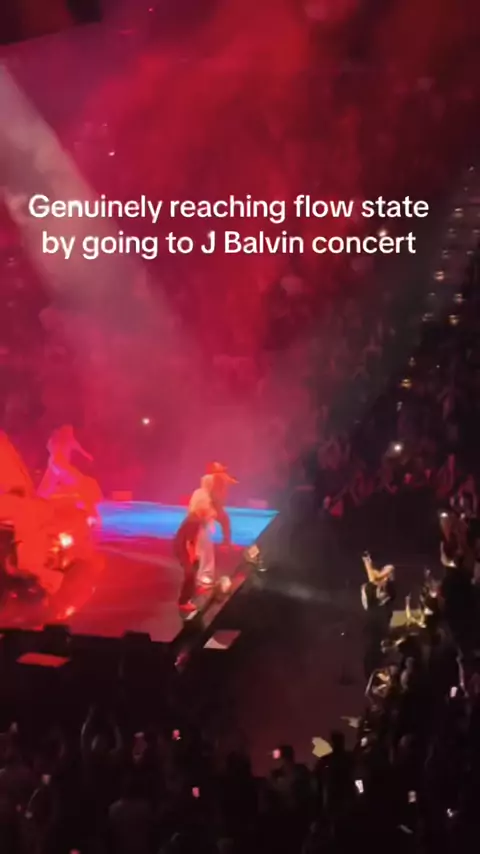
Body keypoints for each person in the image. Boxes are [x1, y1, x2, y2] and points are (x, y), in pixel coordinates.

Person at [174, 502, 211, 612]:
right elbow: (189, 542)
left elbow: (193, 540)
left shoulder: (195, 518)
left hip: (183, 545)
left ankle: (193, 590)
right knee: (189, 572)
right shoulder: (194, 521)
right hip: (182, 548)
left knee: (195, 565)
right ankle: (183, 602)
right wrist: (191, 556)